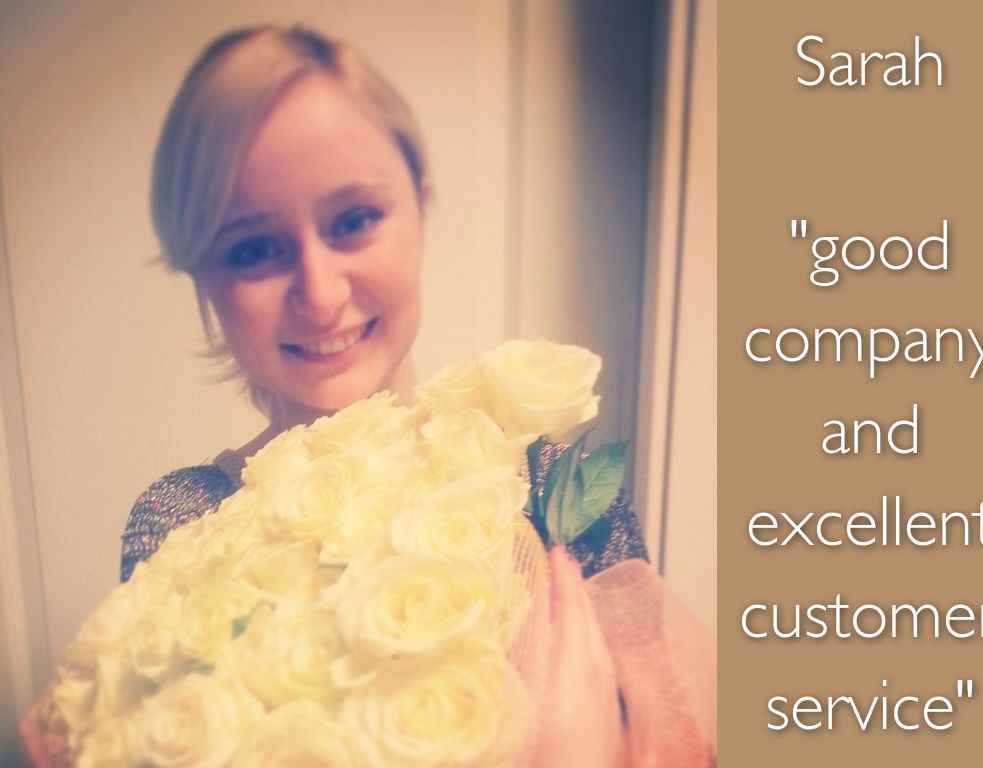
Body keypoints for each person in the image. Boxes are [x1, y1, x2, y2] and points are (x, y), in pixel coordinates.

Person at [115, 24, 652, 767]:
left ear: (421, 204)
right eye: (252, 248)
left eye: (354, 220)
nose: (320, 293)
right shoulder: (178, 523)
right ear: (201, 276)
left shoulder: (554, 489)